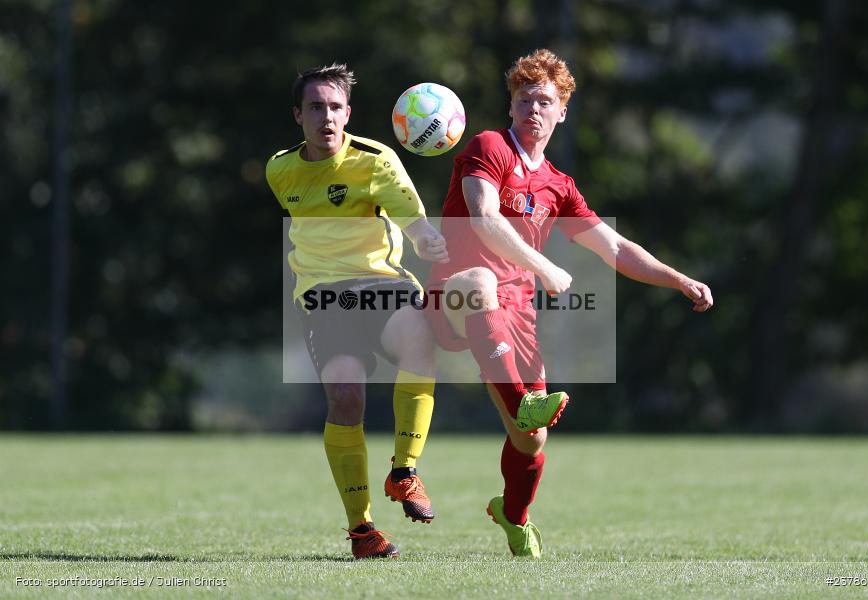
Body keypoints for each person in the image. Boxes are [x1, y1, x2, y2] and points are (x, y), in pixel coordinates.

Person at [426, 49, 714, 558]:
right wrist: (545, 267)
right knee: (478, 281)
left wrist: (679, 279)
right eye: (523, 99)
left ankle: (513, 515)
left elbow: (617, 248)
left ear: (562, 111)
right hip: (454, 294)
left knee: (530, 442)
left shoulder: (560, 186)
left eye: (545, 101)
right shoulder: (488, 147)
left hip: (515, 313)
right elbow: (482, 217)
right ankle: (524, 402)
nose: (533, 108)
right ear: (511, 106)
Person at [265, 63, 449, 560]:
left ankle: (405, 471)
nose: (327, 117)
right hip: (324, 297)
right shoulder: (279, 170)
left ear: (349, 114)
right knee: (346, 399)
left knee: (420, 339)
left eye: (335, 107)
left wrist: (427, 239)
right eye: (316, 107)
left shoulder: (376, 160)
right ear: (298, 115)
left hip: (382, 283)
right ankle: (362, 531)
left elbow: (412, 217)